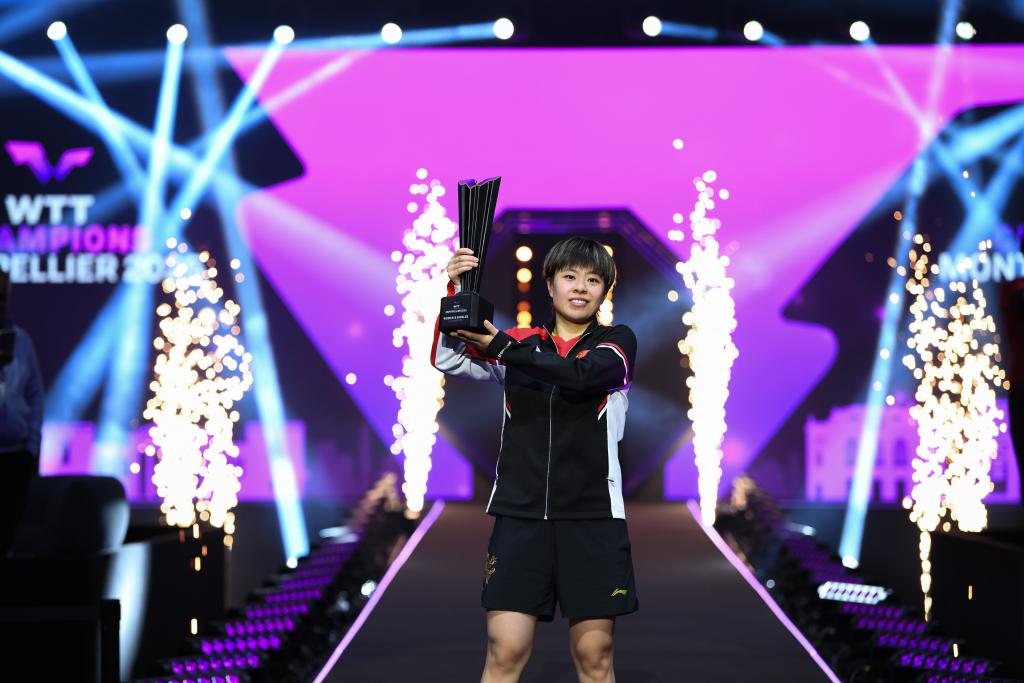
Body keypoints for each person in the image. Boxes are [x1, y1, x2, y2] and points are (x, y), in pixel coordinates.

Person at [431, 237, 638, 683]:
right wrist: (457, 293)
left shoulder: (616, 344)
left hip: (592, 518)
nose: (580, 288)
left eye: (592, 280)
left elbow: (582, 376)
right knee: (504, 652)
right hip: (520, 516)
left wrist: (503, 347)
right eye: (569, 276)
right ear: (549, 284)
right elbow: (448, 358)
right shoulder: (519, 343)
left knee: (595, 657)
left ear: (604, 291)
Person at [0, 270, 44, 558]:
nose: (1, 302)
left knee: (10, 535)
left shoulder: (22, 342)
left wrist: (31, 446)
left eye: (4, 295)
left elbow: (35, 394)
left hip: (15, 457)